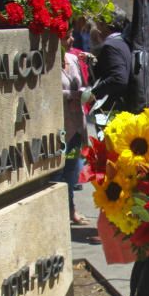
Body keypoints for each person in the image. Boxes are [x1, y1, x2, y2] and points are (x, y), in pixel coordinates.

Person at [57, 32, 88, 225]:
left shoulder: (73, 58)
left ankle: (71, 209)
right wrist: (73, 94)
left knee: (71, 171)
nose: (72, 39)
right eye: (68, 36)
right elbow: (47, 90)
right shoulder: (47, 60)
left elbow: (82, 85)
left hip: (76, 126)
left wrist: (85, 92)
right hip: (60, 126)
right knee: (57, 174)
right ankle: (59, 213)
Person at [84, 7, 136, 113]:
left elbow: (118, 78)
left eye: (98, 24)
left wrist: (94, 92)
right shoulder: (122, 43)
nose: (97, 28)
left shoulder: (111, 46)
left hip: (112, 110)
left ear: (105, 25)